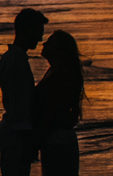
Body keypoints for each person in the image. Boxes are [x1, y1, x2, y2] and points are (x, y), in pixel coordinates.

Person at [0, 7, 48, 176]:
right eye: (38, 32)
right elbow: (19, 106)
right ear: (27, 31)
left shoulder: (14, 58)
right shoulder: (15, 62)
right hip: (16, 135)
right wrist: (29, 140)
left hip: (15, 133)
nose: (40, 38)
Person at [34, 30, 84, 176]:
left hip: (57, 139)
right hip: (57, 137)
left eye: (50, 43)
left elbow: (51, 111)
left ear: (59, 50)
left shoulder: (61, 76)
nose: (44, 44)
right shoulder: (57, 72)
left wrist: (36, 139)